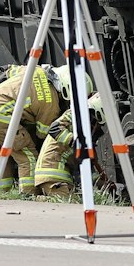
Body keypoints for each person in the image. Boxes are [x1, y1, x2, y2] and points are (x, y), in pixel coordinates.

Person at [0, 61, 70, 197]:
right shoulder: (51, 104)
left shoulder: (35, 70)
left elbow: (2, 71)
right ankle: (28, 197)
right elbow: (42, 135)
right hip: (1, 116)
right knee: (28, 157)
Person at [27, 67, 96, 198]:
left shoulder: (79, 122)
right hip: (53, 175)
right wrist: (74, 141)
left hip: (56, 176)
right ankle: (36, 199)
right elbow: (53, 128)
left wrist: (100, 181)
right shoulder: (72, 115)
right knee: (71, 205)